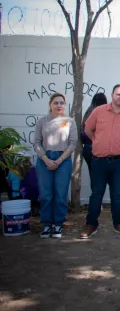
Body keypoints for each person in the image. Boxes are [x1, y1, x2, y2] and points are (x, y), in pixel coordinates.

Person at [80, 84, 120, 239]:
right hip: (98, 160)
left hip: (119, 161)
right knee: (96, 193)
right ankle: (91, 224)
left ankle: (119, 223)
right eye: (118, 94)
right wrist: (97, 141)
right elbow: (87, 129)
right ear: (112, 95)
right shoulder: (98, 111)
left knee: (117, 194)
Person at [33, 93, 78, 238]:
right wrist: (46, 159)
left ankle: (58, 224)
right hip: (44, 159)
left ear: (65, 105)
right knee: (46, 194)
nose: (59, 105)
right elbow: (36, 143)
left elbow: (72, 143)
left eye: (61, 103)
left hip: (63, 160)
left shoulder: (70, 122)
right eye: (56, 103)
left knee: (60, 193)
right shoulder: (42, 121)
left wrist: (59, 161)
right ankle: (47, 224)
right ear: (50, 105)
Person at [82, 93, 108, 172]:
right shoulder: (104, 113)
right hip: (99, 147)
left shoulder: (88, 111)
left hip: (87, 147)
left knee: (94, 174)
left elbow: (83, 128)